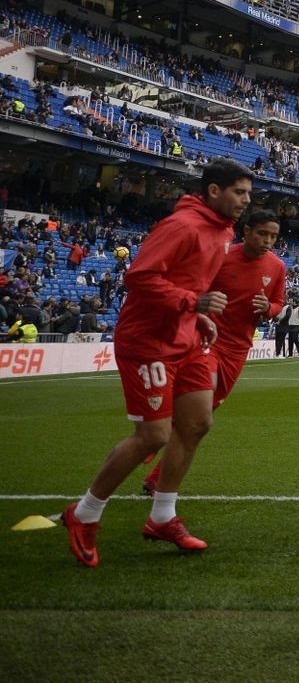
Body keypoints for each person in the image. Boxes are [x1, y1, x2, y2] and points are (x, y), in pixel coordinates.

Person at [62, 160, 253, 566]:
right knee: (153, 436)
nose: (246, 201)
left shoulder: (223, 230)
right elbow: (140, 277)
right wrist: (192, 303)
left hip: (188, 337)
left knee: (198, 422)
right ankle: (83, 514)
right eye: (240, 192)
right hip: (149, 341)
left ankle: (162, 517)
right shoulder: (182, 226)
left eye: (249, 193)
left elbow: (189, 282)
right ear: (214, 191)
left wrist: (196, 313)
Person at [142, 209, 286, 494]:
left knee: (200, 417)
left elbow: (278, 304)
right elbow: (195, 289)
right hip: (207, 339)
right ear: (246, 232)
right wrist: (202, 307)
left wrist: (267, 309)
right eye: (262, 234)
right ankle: (154, 435)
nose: (268, 241)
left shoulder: (277, 267)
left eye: (273, 236)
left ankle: (156, 475)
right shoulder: (222, 256)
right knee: (198, 406)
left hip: (238, 347)